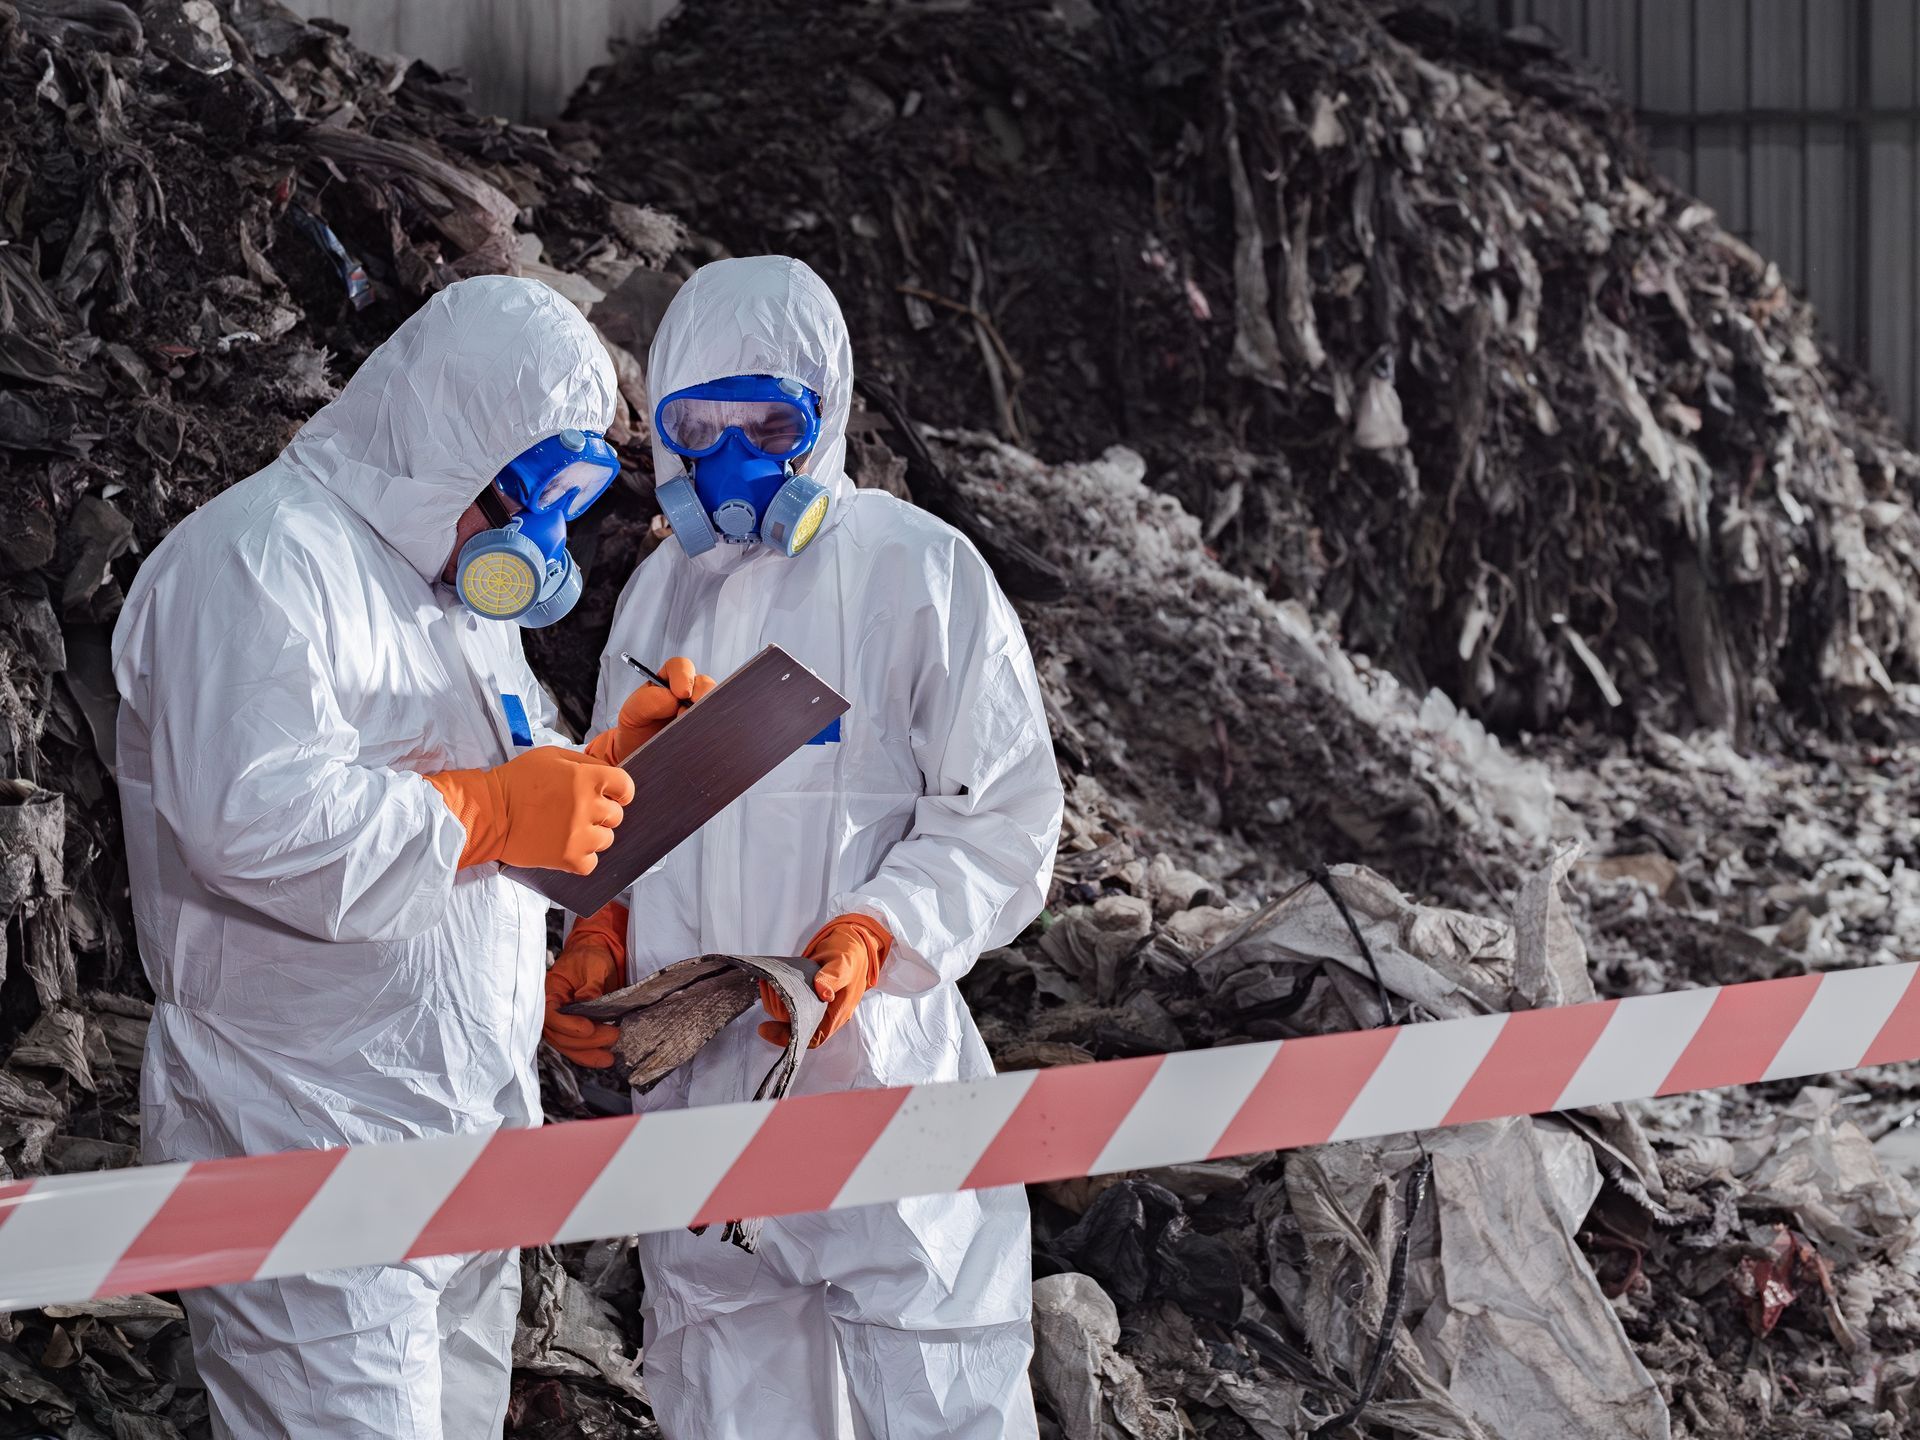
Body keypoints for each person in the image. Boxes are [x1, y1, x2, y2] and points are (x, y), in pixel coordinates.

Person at [542, 255, 1065, 1439]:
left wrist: (884, 933)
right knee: (726, 1397)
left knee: (942, 1387)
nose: (732, 456)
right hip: (696, 1085)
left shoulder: (919, 571)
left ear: (826, 413)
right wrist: (605, 931)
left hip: (877, 1069)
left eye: (772, 421)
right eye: (699, 425)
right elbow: (620, 805)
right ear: (661, 425)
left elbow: (1005, 813)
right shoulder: (655, 595)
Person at [112, 275, 641, 1440]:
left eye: (571, 498)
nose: (538, 539)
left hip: (458, 1129)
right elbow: (253, 818)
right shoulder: (259, 561)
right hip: (302, 1139)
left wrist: (600, 767)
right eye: (530, 495)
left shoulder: (452, 594)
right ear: (447, 439)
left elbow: (488, 774)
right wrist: (494, 813)